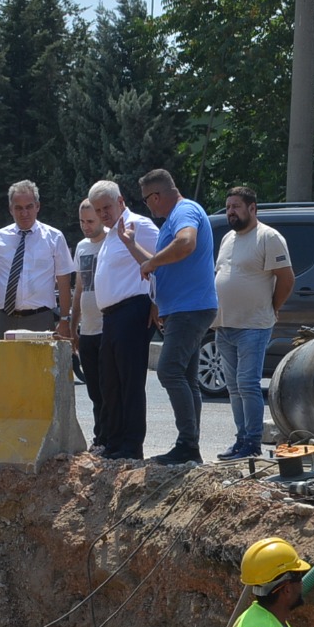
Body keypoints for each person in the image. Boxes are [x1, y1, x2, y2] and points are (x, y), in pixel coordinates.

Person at [111, 167, 220, 463]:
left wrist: (153, 263)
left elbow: (186, 243)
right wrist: (131, 245)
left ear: (156, 196)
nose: (148, 206)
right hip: (182, 309)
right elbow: (154, 266)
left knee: (168, 371)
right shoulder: (174, 218)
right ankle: (190, 448)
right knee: (186, 377)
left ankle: (187, 445)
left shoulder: (185, 211)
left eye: (147, 200)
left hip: (190, 308)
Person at [213, 186, 293, 460]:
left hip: (254, 326)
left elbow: (286, 279)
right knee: (233, 387)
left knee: (247, 384)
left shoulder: (268, 237)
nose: (231, 212)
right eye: (228, 207)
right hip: (225, 325)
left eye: (236, 206)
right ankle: (240, 441)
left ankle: (252, 442)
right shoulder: (227, 239)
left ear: (252, 208)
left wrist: (272, 307)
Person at [85, 180, 158, 458]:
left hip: (132, 310)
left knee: (129, 381)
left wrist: (156, 301)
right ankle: (113, 442)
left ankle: (131, 446)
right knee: (110, 382)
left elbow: (161, 263)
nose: (103, 213)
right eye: (98, 209)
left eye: (107, 207)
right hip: (111, 317)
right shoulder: (109, 235)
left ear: (121, 202)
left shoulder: (140, 226)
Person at [0, 180, 76, 340]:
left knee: (41, 366)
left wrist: (65, 319)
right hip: (3, 319)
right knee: (2, 365)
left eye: (29, 207)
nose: (24, 213)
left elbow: (64, 282)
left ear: (37, 206)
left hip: (40, 320)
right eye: (18, 208)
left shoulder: (54, 238)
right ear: (11, 209)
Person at [74, 199, 109, 450]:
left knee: (110, 390)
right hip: (87, 329)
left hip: (109, 327)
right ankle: (99, 438)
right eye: (82, 221)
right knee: (94, 390)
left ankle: (110, 439)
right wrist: (72, 323)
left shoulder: (113, 241)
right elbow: (79, 288)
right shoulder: (81, 247)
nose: (86, 227)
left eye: (90, 221)